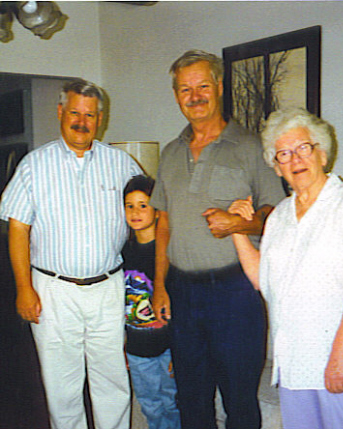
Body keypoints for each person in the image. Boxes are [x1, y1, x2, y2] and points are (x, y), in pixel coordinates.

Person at [228, 107, 343, 429]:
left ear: (322, 153)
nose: (295, 160)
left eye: (303, 148)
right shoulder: (279, 216)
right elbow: (264, 280)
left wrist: (339, 357)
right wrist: (236, 231)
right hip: (295, 364)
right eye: (283, 154)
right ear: (276, 167)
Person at [150, 50, 285, 429]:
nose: (194, 96)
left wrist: (237, 225)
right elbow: (163, 224)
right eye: (185, 89)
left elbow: (275, 217)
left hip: (234, 294)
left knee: (239, 400)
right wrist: (160, 285)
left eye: (202, 86)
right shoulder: (170, 153)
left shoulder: (250, 146)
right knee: (190, 397)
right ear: (176, 95)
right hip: (182, 291)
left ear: (219, 88)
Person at [0, 79, 142, 429]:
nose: (82, 121)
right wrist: (23, 288)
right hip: (53, 290)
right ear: (60, 112)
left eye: (90, 114)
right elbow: (18, 228)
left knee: (112, 381)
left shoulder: (121, 164)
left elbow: (146, 212)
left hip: (108, 287)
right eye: (75, 112)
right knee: (62, 386)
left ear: (101, 118)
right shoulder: (34, 166)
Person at [122, 174, 181, 429]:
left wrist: (180, 351)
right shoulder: (122, 251)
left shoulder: (169, 253)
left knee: (172, 402)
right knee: (149, 403)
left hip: (168, 348)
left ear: (158, 211)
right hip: (137, 349)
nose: (135, 212)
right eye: (129, 205)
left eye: (143, 205)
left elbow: (181, 304)